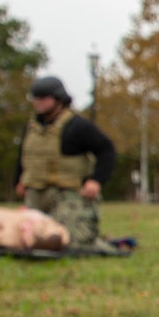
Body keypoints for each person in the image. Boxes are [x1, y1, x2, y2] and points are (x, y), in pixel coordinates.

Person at [14, 75, 116, 248]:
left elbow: (107, 150)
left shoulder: (77, 126)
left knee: (69, 242)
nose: (37, 103)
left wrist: (97, 180)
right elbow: (23, 156)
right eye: (35, 99)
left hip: (69, 194)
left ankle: (96, 242)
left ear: (58, 99)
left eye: (43, 99)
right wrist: (18, 181)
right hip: (36, 193)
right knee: (25, 240)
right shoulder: (31, 127)